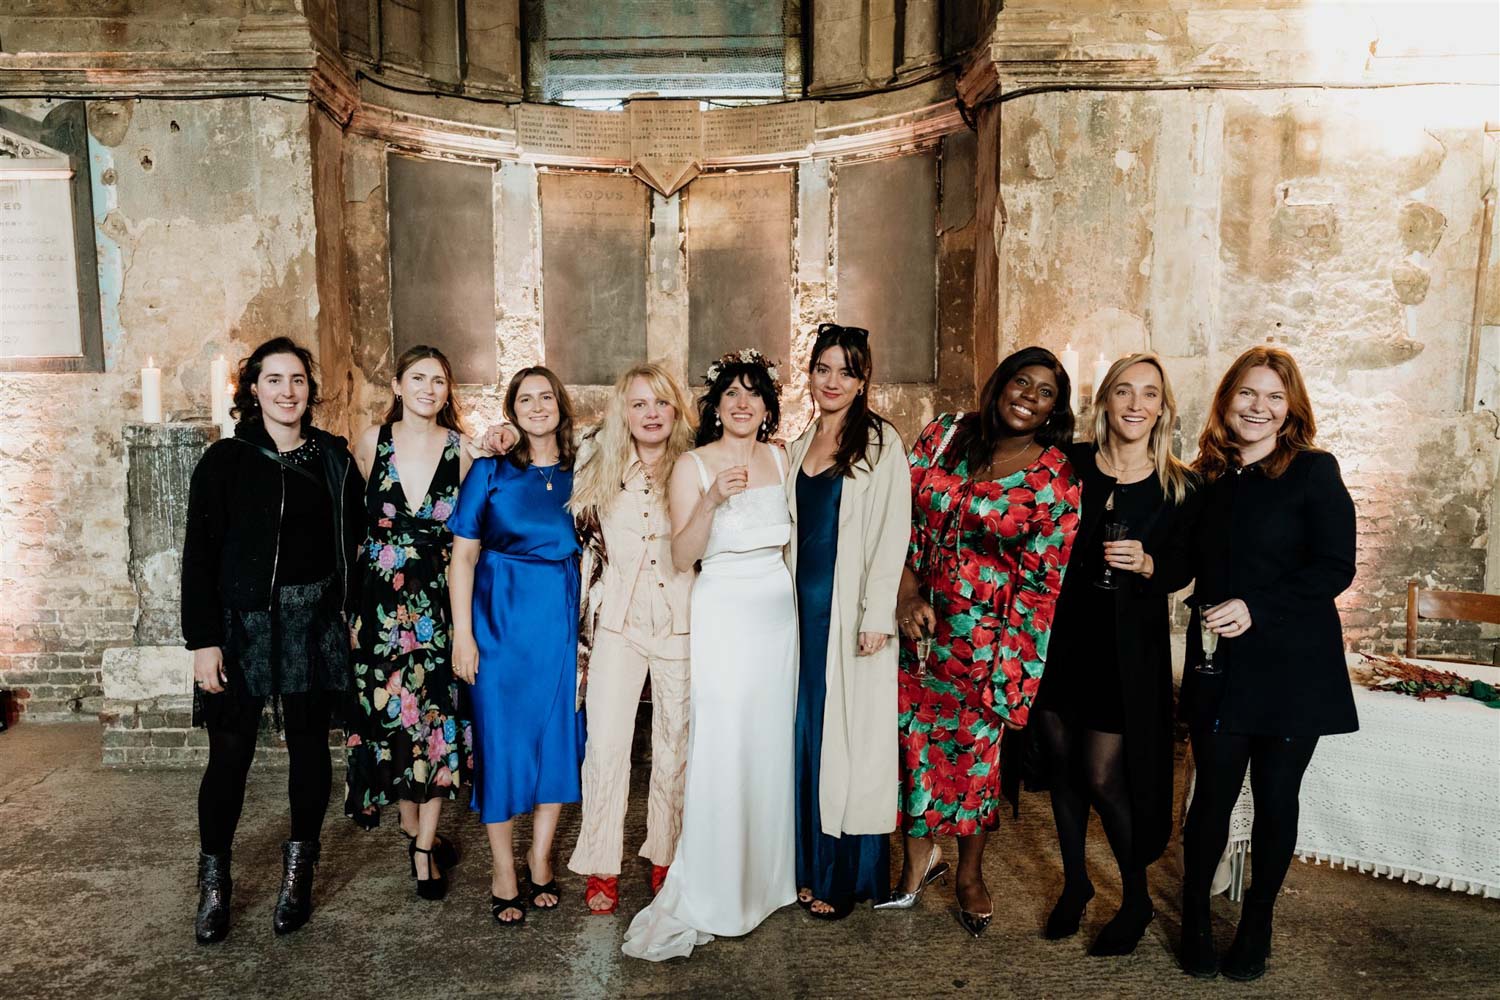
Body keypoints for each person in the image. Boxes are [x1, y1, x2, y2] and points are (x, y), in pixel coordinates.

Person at [885, 346, 1081, 937]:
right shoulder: (944, 435)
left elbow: (1043, 583)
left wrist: (1015, 672)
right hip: (913, 629)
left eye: (1045, 392)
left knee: (975, 762)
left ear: (1054, 407)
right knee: (911, 748)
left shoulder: (1054, 475)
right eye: (1022, 382)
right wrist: (903, 591)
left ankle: (970, 872)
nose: (1029, 396)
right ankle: (920, 857)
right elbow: (899, 517)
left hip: (986, 644)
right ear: (1000, 384)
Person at [1178, 346, 1357, 981]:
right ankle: (1195, 916)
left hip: (1293, 666)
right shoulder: (1203, 479)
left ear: (1291, 408)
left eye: (1274, 397)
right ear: (1227, 402)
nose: (1259, 407)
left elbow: (1336, 566)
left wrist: (1257, 605)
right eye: (1247, 395)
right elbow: (1182, 564)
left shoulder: (1313, 471)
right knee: (1212, 799)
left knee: (1279, 798)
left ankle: (1257, 922)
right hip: (1220, 666)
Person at [181, 336, 364, 943]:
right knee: (229, 756)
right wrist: (204, 641)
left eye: (298, 381)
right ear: (253, 389)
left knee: (311, 752)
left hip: (313, 623)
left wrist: (354, 611)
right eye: (275, 380)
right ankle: (213, 883)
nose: (288, 392)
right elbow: (198, 558)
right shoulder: (225, 461)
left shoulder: (333, 459)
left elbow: (363, 540)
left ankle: (297, 875)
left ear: (309, 391)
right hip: (244, 625)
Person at [622, 349, 797, 961]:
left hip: (778, 614)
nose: (743, 403)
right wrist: (713, 499)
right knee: (723, 741)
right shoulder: (693, 466)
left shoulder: (781, 457)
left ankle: (769, 878)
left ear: (767, 406)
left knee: (770, 742)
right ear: (716, 407)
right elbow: (681, 555)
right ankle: (719, 884)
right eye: (732, 394)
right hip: (724, 609)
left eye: (754, 393)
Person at [1029, 352, 1198, 954]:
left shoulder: (1180, 483)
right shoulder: (1069, 464)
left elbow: (1184, 565)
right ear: (1104, 402)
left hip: (1125, 651)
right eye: (1123, 391)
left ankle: (1137, 899)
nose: (1135, 404)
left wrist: (1150, 563)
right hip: (1057, 638)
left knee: (1102, 774)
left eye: (1148, 394)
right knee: (1062, 766)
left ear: (1162, 408)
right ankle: (1076, 885)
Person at [448, 366, 584, 927]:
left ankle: (540, 855)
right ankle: (503, 868)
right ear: (511, 410)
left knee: (559, 739)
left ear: (561, 405)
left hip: (561, 626)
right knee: (501, 747)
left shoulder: (586, 471)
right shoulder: (489, 472)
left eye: (546, 396)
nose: (536, 406)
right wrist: (463, 634)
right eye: (524, 399)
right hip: (499, 627)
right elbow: (462, 557)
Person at [783, 324, 909, 919]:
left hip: (850, 614)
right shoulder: (799, 440)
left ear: (863, 382)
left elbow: (894, 532)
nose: (832, 382)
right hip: (798, 617)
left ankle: (843, 874)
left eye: (846, 372)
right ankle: (806, 864)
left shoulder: (881, 443)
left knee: (850, 743)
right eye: (823, 369)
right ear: (809, 374)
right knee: (807, 736)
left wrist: (878, 613)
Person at [343, 345, 475, 900]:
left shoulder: (463, 450)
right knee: (394, 720)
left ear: (448, 391)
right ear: (397, 384)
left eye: (439, 380)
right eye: (417, 378)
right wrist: (349, 612)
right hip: (379, 606)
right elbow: (352, 530)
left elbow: (472, 540)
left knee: (438, 720)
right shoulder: (372, 443)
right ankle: (409, 824)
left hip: (438, 606)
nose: (428, 388)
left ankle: (425, 846)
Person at [565, 364, 697, 914]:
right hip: (616, 622)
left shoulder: (695, 464)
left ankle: (666, 855)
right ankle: (601, 863)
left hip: (680, 621)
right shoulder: (596, 459)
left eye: (661, 403)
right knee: (608, 747)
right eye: (639, 404)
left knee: (674, 745)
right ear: (624, 410)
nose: (650, 414)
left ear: (676, 411)